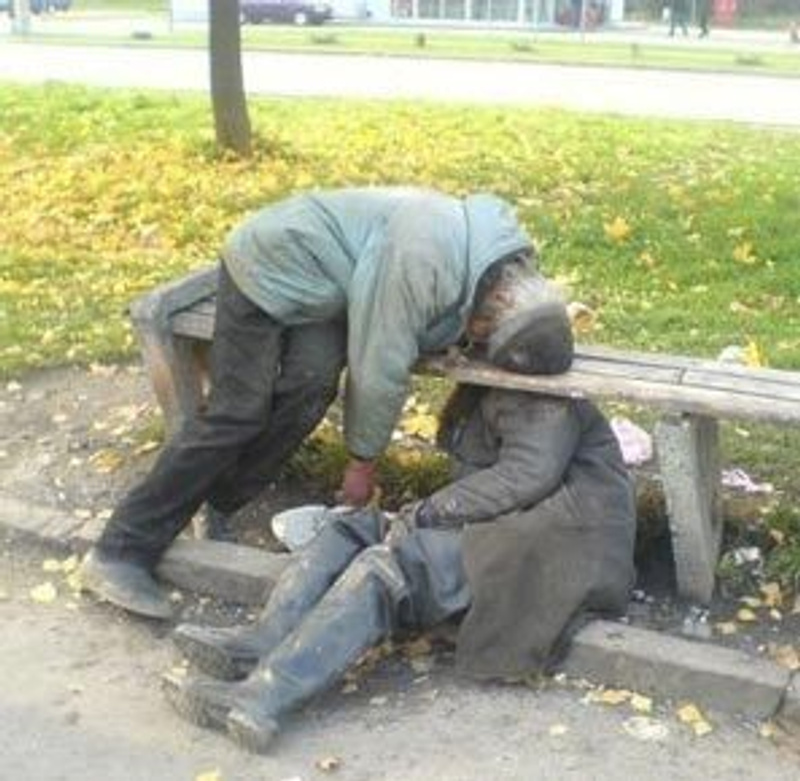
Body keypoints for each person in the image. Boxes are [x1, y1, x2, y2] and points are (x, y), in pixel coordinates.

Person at [161, 294, 637, 754]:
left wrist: (427, 514)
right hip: (518, 526)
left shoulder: (536, 395)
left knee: (386, 568)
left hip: (555, 548)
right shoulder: (503, 377)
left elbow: (524, 477)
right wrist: (421, 516)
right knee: (351, 529)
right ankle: (262, 643)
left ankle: (263, 697)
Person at [79, 186, 572, 621]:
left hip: (325, 283)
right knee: (238, 412)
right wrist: (362, 464)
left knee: (311, 386)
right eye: (482, 335)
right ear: (493, 307)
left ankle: (217, 499)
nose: (477, 340)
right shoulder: (418, 262)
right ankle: (121, 550)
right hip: (270, 262)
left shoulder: (503, 259)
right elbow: (378, 366)